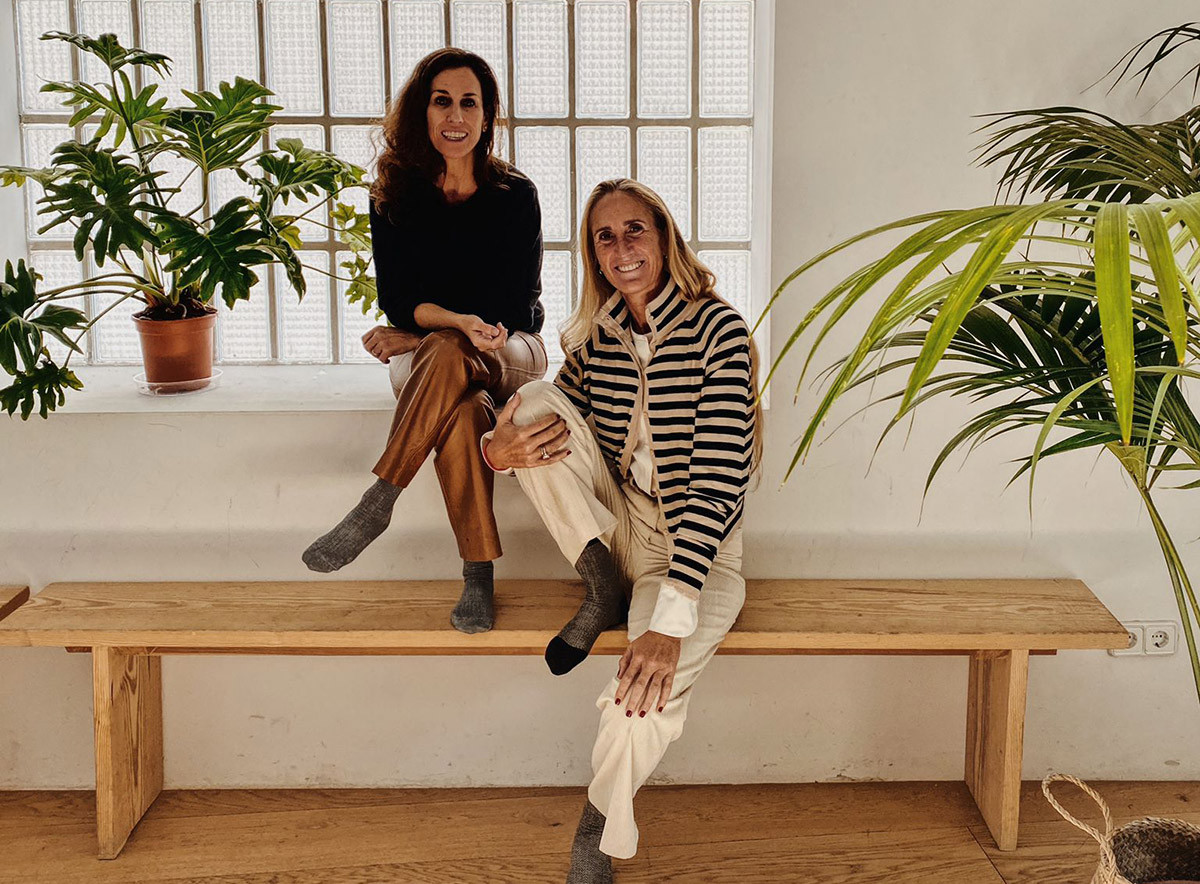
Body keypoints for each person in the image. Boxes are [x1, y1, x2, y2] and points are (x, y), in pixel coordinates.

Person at [483, 179, 762, 882]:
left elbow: (719, 481)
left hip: (697, 554)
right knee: (529, 406)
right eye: (605, 237)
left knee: (642, 693)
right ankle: (597, 582)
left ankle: (599, 823)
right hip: (622, 526)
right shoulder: (595, 337)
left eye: (635, 230)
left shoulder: (717, 329)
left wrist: (670, 621)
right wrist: (496, 449)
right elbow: (556, 422)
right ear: (593, 254)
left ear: (664, 237)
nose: (621, 248)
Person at [302, 48, 547, 636]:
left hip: (513, 351)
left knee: (441, 347)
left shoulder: (516, 194)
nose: (455, 115)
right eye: (442, 101)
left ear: (488, 117)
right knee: (461, 411)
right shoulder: (395, 194)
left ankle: (379, 498)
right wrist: (453, 324)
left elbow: (514, 305)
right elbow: (397, 297)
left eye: (469, 102)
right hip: (443, 357)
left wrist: (440, 326)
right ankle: (478, 575)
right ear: (423, 111)